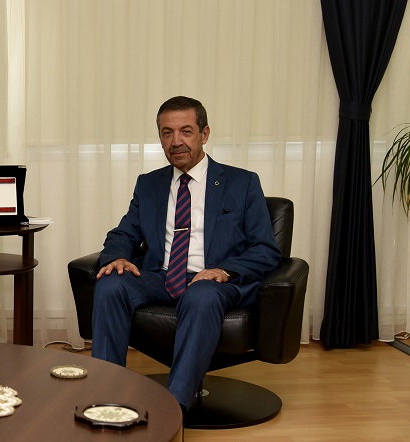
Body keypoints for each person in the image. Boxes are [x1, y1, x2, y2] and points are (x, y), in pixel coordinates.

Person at [91, 96, 281, 412]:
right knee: (111, 283)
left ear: (204, 134)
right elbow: (124, 233)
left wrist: (225, 271)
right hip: (161, 276)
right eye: (167, 132)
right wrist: (117, 258)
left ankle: (175, 407)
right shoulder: (149, 184)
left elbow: (265, 248)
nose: (176, 141)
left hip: (213, 281)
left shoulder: (242, 183)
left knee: (202, 294)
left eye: (186, 131)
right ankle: (106, 399)